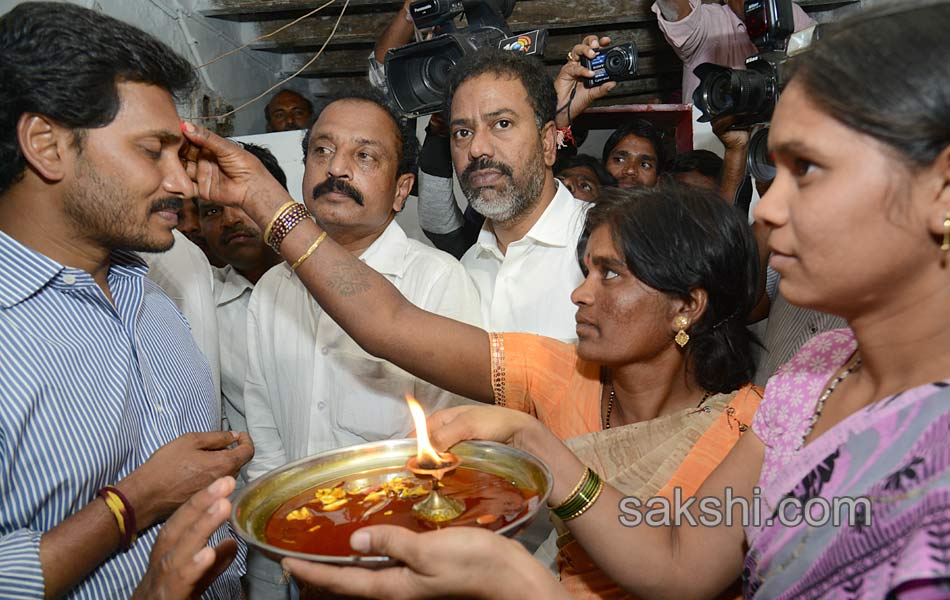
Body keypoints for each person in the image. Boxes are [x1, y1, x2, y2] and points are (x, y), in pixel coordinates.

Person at [262, 1, 950, 597]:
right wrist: (538, 443)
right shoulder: (816, 375)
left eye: (809, 169)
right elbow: (680, 567)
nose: (766, 214)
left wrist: (525, 588)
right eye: (777, 169)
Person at [179, 94, 764, 595]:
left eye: (610, 275)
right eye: (586, 269)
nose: (579, 294)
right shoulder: (555, 371)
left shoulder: (751, 431)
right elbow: (387, 322)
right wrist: (265, 200)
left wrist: (540, 444)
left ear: (688, 304)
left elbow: (681, 578)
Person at [0, 2, 253, 597]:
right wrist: (133, 502)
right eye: (152, 151)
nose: (183, 183)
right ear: (46, 144)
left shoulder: (154, 289)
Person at [242, 88, 482, 482]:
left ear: (401, 190)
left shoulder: (436, 281)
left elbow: (455, 439)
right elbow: (266, 434)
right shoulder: (274, 287)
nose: (336, 168)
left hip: (400, 531)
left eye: (364, 155)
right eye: (322, 150)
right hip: (298, 529)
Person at [447, 47, 590, 341]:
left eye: (502, 124)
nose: (477, 149)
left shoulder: (607, 239)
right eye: (463, 132)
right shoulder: (465, 269)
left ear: (548, 142)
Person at [651, 0, 815, 103]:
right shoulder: (709, 23)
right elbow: (676, 9)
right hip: (713, 154)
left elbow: (826, 56)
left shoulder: (790, 14)